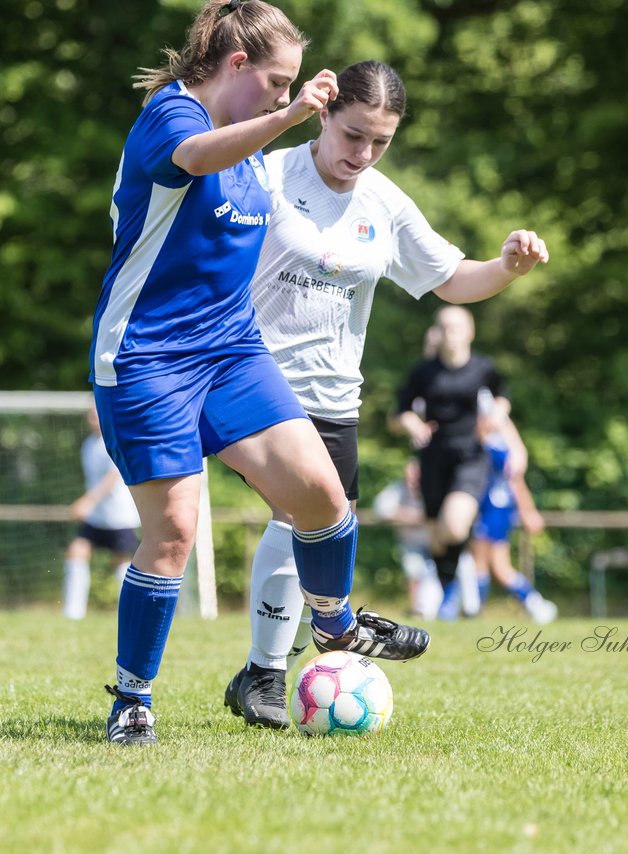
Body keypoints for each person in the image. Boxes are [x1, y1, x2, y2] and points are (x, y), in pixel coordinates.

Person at [90, 2, 430, 746]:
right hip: (146, 356)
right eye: (277, 84)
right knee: (175, 531)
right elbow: (194, 158)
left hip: (231, 351)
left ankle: (335, 622)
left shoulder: (254, 144)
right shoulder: (171, 116)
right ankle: (133, 699)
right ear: (236, 66)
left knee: (324, 497)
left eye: (294, 87)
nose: (286, 98)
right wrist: (290, 118)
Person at [221, 59, 550, 730]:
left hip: (336, 396)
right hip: (253, 376)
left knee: (317, 522)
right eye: (352, 136)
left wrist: (506, 267)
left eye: (380, 142)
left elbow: (452, 278)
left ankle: (292, 651)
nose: (362, 155)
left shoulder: (384, 201)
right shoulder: (269, 172)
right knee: (303, 517)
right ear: (322, 115)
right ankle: (276, 665)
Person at [393, 305, 532, 622]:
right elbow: (402, 410)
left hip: (471, 456)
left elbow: (502, 396)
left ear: (470, 332)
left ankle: (448, 585)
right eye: (444, 327)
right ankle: (448, 589)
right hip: (433, 459)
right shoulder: (423, 371)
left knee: (454, 527)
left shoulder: (483, 368)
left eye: (456, 327)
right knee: (437, 537)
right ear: (436, 333)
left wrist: (498, 415)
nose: (450, 333)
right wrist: (412, 424)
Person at [467, 410, 557, 624]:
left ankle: (478, 611)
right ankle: (535, 604)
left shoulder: (495, 446)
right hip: (497, 508)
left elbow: (516, 480)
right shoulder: (499, 445)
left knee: (487, 564)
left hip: (492, 508)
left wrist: (528, 511)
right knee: (497, 566)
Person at [62, 406, 140, 620]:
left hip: (119, 517)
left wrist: (87, 502)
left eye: (97, 413)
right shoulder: (88, 445)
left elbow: (111, 478)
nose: (93, 418)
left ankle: (131, 613)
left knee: (121, 562)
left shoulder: (114, 440)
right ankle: (73, 612)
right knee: (77, 550)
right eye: (90, 414)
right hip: (97, 517)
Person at [372, 458, 441, 619]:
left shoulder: (433, 486)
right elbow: (381, 509)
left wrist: (420, 517)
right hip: (410, 541)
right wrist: (408, 515)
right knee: (413, 571)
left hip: (435, 540)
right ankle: (417, 609)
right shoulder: (398, 489)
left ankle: (440, 610)